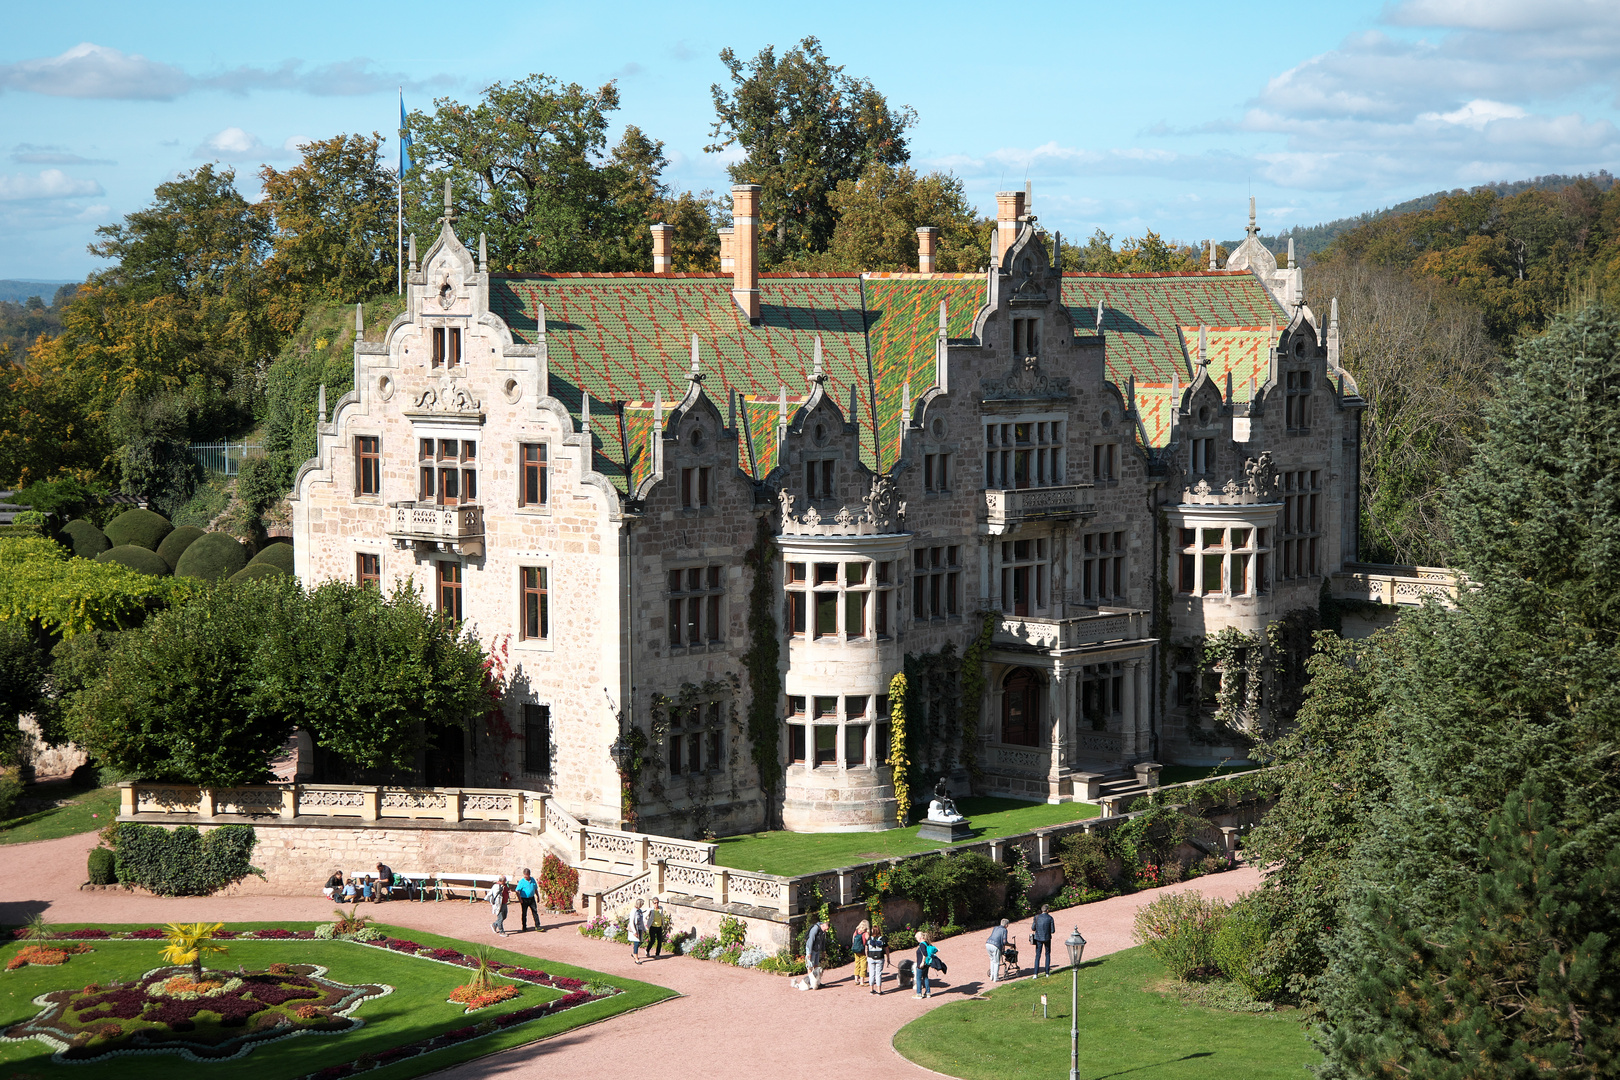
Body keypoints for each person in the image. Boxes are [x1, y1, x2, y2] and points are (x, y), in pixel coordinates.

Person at [799, 918, 827, 990]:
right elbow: (811, 940)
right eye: (825, 929)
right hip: (811, 949)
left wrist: (823, 951)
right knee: (810, 967)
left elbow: (823, 941)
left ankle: (817, 982)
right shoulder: (815, 929)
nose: (826, 931)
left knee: (816, 966)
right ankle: (811, 983)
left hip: (817, 949)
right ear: (823, 925)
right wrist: (810, 953)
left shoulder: (823, 932)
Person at [914, 931, 944, 999]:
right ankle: (928, 993)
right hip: (927, 964)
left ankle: (918, 993)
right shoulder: (927, 943)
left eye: (917, 938)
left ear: (920, 937)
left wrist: (922, 962)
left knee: (918, 978)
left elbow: (924, 954)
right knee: (925, 977)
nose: (916, 939)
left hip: (922, 964)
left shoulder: (922, 944)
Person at [1030, 904, 1056, 977]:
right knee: (1047, 954)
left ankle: (1035, 973)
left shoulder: (1037, 917)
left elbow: (1033, 928)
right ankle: (1047, 972)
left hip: (1038, 938)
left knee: (1038, 955)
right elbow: (1053, 930)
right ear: (1047, 910)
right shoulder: (1050, 918)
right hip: (1047, 938)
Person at [987, 918, 1010, 983]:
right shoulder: (1004, 930)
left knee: (992, 960)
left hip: (988, 944)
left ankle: (992, 976)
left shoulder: (995, 928)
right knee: (996, 962)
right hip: (995, 946)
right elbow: (1004, 941)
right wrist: (1010, 945)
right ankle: (996, 978)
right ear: (1006, 925)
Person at [866, 926, 888, 994]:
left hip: (871, 957)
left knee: (871, 974)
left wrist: (867, 956)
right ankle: (879, 990)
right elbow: (887, 949)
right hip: (880, 958)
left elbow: (866, 948)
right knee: (878, 974)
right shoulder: (883, 939)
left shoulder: (869, 939)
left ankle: (871, 990)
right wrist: (888, 958)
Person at [851, 920, 870, 989]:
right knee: (863, 965)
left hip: (856, 950)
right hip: (862, 951)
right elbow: (868, 942)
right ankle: (862, 981)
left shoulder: (856, 931)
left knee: (857, 964)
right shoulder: (865, 933)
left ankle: (856, 980)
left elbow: (853, 940)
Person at [628, 899, 647, 964]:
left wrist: (644, 929)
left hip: (639, 928)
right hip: (635, 929)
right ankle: (636, 958)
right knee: (636, 943)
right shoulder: (633, 911)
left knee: (639, 942)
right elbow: (631, 922)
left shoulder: (640, 911)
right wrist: (634, 932)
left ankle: (634, 953)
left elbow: (641, 921)